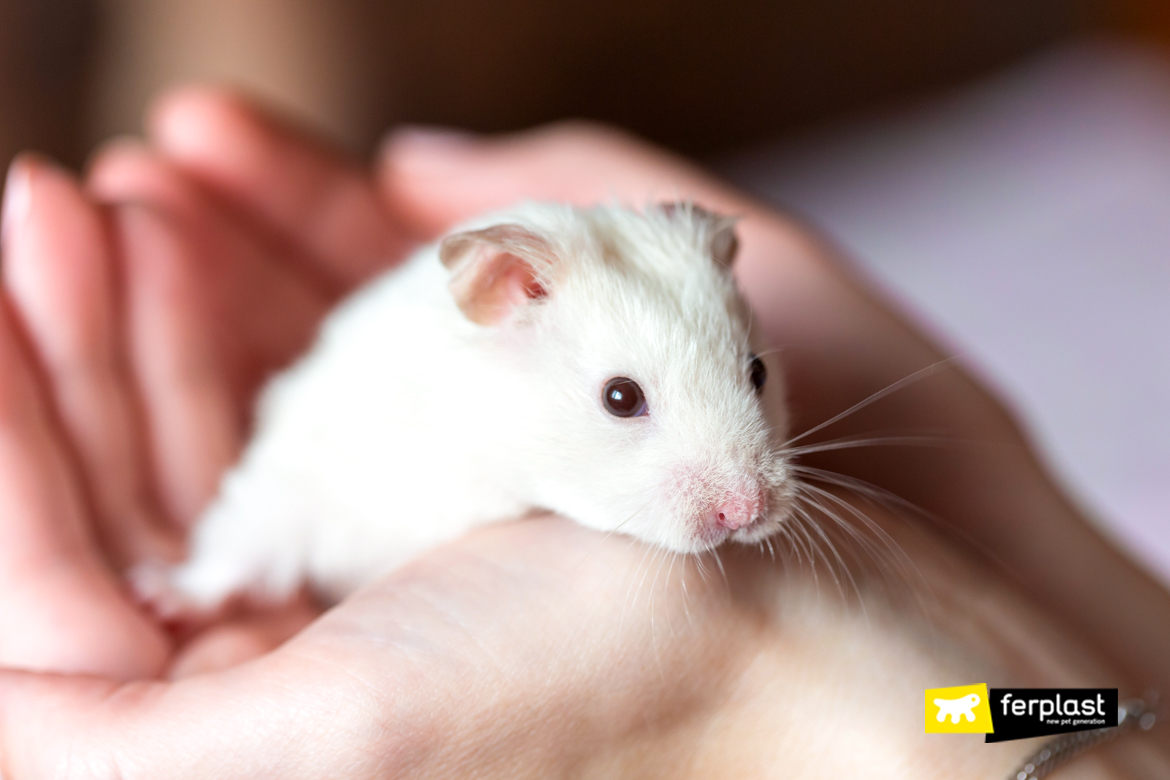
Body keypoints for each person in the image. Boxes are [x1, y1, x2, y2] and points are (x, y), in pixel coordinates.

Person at [0, 87, 1166, 777]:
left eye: (751, 383)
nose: (746, 494)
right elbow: (956, 712)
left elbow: (952, 713)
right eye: (625, 402)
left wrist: (1089, 693)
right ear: (500, 295)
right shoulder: (391, 368)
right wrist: (1108, 685)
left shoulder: (703, 312)